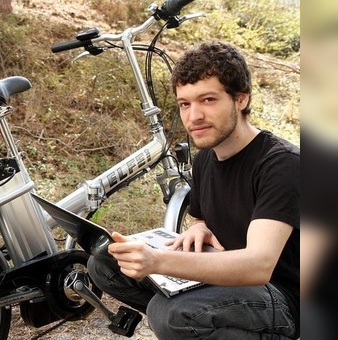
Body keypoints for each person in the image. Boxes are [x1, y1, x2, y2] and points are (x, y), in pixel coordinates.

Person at [88, 41, 299, 339]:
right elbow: (203, 218)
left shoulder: (282, 164)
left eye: (208, 100)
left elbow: (258, 265)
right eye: (185, 104)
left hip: (281, 296)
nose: (193, 116)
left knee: (169, 313)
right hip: (227, 282)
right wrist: (199, 228)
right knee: (104, 264)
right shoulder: (206, 159)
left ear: (240, 99)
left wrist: (157, 260)